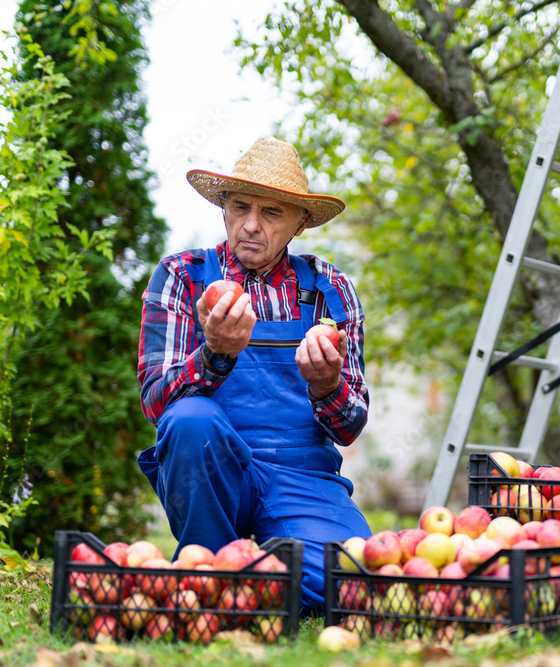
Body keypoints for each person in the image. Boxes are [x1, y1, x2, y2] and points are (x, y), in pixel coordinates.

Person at [135, 137, 372, 612]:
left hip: (301, 475)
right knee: (191, 421)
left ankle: (250, 570)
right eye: (239, 207)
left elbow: (349, 427)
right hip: (213, 467)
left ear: (299, 223)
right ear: (223, 208)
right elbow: (157, 404)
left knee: (353, 585)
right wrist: (214, 356)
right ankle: (210, 570)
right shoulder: (182, 276)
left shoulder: (330, 289)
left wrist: (326, 385)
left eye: (271, 213)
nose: (250, 225)